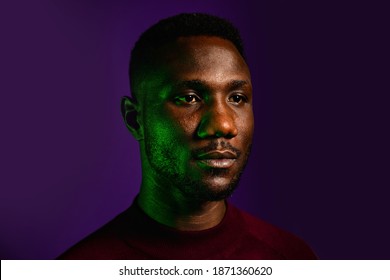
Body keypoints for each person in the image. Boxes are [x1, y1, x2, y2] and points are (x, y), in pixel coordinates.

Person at [58, 13, 317, 260]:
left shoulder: (291, 258)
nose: (224, 125)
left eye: (237, 98)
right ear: (135, 120)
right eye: (189, 98)